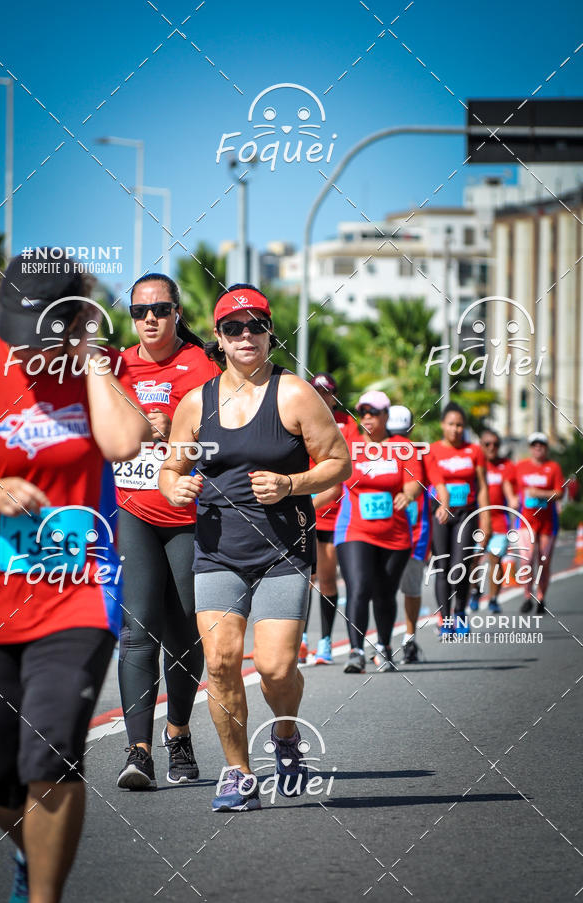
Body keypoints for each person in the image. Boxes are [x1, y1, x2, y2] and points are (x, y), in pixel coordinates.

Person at [0, 255, 149, 903]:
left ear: (75, 318)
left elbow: (125, 442)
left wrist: (93, 359)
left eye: (43, 331)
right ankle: (33, 851)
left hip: (79, 590)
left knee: (48, 753)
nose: (28, 345)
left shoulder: (87, 369)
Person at [159, 284, 351, 812]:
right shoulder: (197, 403)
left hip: (282, 554)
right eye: (233, 328)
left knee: (275, 667)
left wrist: (291, 486)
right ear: (218, 338)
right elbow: (171, 469)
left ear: (270, 333)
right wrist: (173, 485)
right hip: (217, 551)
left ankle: (286, 737)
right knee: (220, 663)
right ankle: (238, 773)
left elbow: (339, 463)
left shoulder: (294, 395)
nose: (246, 336)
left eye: (256, 326)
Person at [115, 274, 220, 791]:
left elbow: (222, 436)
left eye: (159, 309)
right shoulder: (115, 365)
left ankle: (177, 732)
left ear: (177, 312)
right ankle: (137, 753)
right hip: (134, 510)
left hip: (187, 518)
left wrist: (179, 428)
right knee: (138, 629)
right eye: (139, 311)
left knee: (182, 633)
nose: (149, 319)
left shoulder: (202, 366)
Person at [316, 391, 423, 674]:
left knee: (385, 593)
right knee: (359, 587)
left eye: (373, 412)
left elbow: (414, 482)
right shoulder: (348, 445)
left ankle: (385, 647)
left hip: (395, 534)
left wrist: (408, 495)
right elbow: (333, 485)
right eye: (362, 412)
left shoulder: (403, 447)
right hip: (354, 530)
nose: (367, 418)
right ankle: (356, 651)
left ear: (386, 415)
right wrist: (302, 507)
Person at [424, 402, 491, 637]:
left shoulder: (474, 451)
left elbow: (482, 486)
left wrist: (486, 518)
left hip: (466, 513)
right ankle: (445, 619)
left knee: (460, 565)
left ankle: (461, 611)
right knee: (443, 567)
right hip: (440, 514)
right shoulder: (432, 450)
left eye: (460, 425)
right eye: (451, 424)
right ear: (443, 425)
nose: (455, 429)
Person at [305, 373, 349, 666]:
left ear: (334, 395)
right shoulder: (299, 421)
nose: (322, 397)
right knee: (301, 581)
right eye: (317, 391)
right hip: (303, 517)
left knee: (328, 580)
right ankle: (302, 639)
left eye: (327, 392)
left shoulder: (346, 427)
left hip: (330, 517)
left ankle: (325, 641)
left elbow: (337, 484)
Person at [382, 405, 431, 665]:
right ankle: (409, 640)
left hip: (383, 533)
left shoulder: (376, 450)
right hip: (415, 534)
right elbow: (436, 490)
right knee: (410, 590)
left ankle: (384, 643)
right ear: (411, 427)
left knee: (384, 590)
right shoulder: (421, 453)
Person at [467, 428, 518, 614]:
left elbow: (509, 492)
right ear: (481, 445)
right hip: (476, 522)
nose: (492, 448)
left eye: (496, 444)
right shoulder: (473, 465)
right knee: (473, 561)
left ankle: (494, 598)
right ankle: (475, 592)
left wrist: (513, 502)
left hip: (498, 523)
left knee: (495, 561)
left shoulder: (506, 466)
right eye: (487, 444)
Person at [515, 432, 564, 615]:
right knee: (527, 559)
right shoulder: (520, 466)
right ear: (530, 448)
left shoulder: (553, 467)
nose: (538, 448)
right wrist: (513, 497)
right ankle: (527, 596)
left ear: (546, 448)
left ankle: (541, 598)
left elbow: (560, 493)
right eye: (535, 445)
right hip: (525, 520)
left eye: (541, 445)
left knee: (543, 561)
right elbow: (510, 485)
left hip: (547, 522)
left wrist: (540, 494)